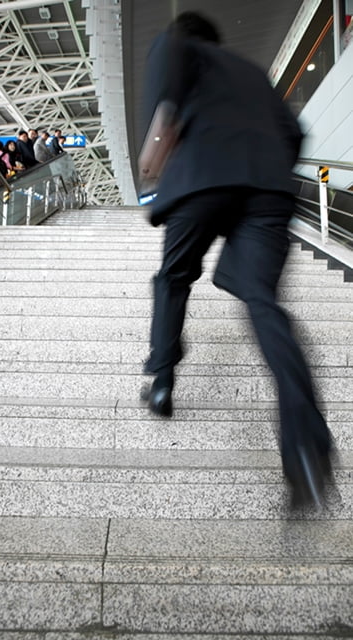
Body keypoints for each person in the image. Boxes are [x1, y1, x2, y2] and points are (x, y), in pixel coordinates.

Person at [139, 11, 334, 508]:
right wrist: (263, 171)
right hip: (267, 189)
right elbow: (294, 133)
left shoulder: (177, 46)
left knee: (175, 278)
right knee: (263, 302)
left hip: (199, 180)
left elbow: (165, 102)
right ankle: (307, 447)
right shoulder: (253, 73)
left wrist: (156, 153)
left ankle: (162, 379)